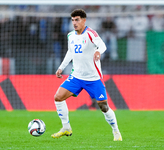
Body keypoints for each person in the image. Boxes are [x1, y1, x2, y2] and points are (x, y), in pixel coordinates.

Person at [51, 9, 122, 141]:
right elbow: (70, 52)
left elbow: (103, 45)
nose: (74, 23)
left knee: (103, 106)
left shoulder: (90, 33)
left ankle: (116, 131)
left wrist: (99, 52)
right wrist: (61, 67)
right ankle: (66, 127)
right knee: (58, 97)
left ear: (84, 20)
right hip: (76, 76)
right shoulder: (70, 35)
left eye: (77, 20)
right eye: (72, 20)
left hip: (93, 78)